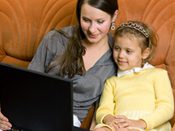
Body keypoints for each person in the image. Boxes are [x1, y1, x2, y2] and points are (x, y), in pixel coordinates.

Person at [0, 0, 119, 130]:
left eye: (100, 22)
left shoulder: (119, 55)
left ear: (114, 16)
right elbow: (26, 86)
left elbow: (103, 107)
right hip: (32, 112)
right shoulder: (55, 39)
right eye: (86, 20)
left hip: (69, 123)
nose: (92, 29)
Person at [93, 21, 174, 131]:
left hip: (149, 125)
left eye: (128, 51)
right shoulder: (112, 81)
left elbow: (167, 107)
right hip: (119, 125)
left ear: (145, 53)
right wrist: (109, 119)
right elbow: (103, 109)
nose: (121, 55)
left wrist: (141, 123)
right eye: (117, 48)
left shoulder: (158, 74)